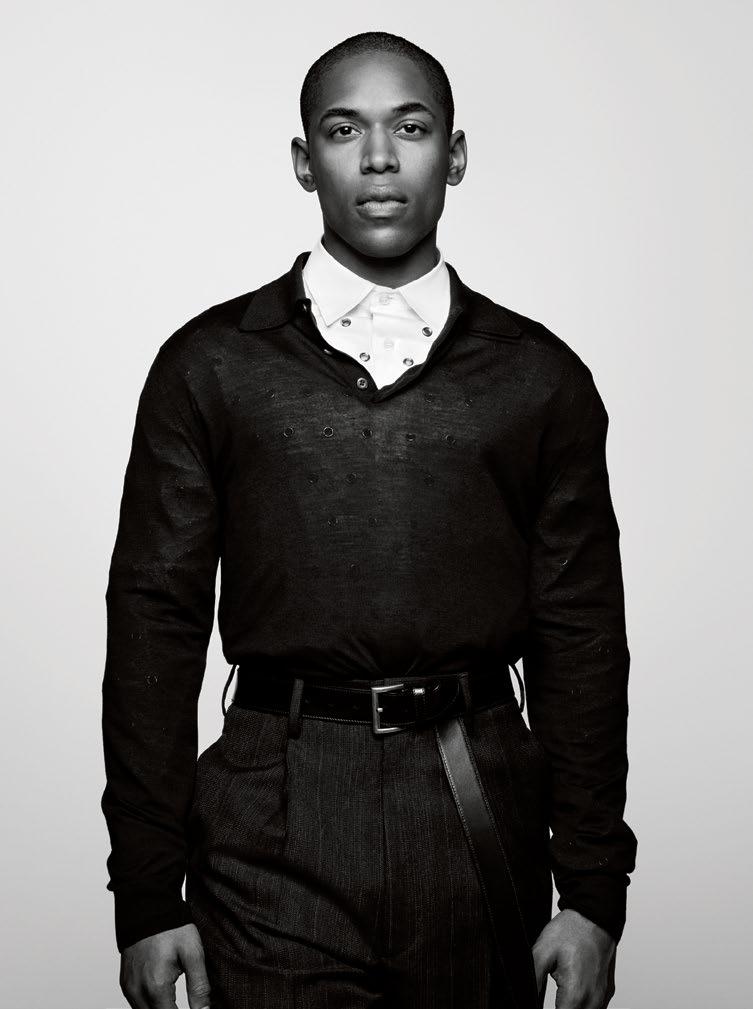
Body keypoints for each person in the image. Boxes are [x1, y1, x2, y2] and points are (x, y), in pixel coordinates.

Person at [101, 30, 637, 1009]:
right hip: (270, 808)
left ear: (455, 155)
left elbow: (583, 638)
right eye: (345, 130)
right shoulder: (210, 364)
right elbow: (152, 625)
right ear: (305, 160)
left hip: (475, 804)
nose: (380, 158)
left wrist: (594, 892)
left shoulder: (539, 378)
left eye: (411, 128)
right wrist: (145, 892)